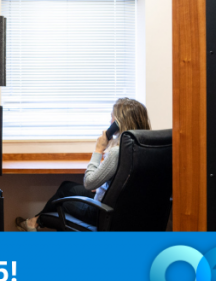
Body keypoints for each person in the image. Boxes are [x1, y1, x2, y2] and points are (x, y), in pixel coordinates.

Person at [15, 98, 152, 231]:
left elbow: (89, 183)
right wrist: (103, 185)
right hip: (132, 212)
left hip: (102, 213)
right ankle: (32, 223)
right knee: (66, 187)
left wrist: (98, 149)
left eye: (112, 118)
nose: (109, 122)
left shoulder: (118, 152)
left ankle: (34, 223)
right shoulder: (147, 150)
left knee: (61, 201)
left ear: (117, 123)